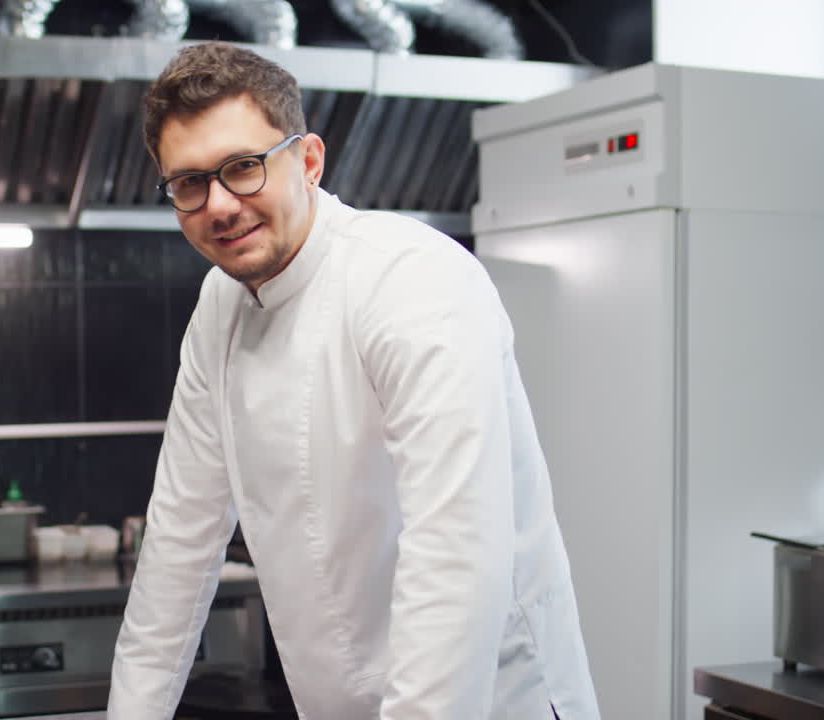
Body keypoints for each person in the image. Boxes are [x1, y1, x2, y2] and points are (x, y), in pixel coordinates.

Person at [108, 42, 600, 720]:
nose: (220, 204)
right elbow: (177, 543)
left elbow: (455, 560)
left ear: (308, 161)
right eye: (190, 182)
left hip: (485, 701)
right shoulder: (219, 309)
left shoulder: (411, 279)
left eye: (244, 168)